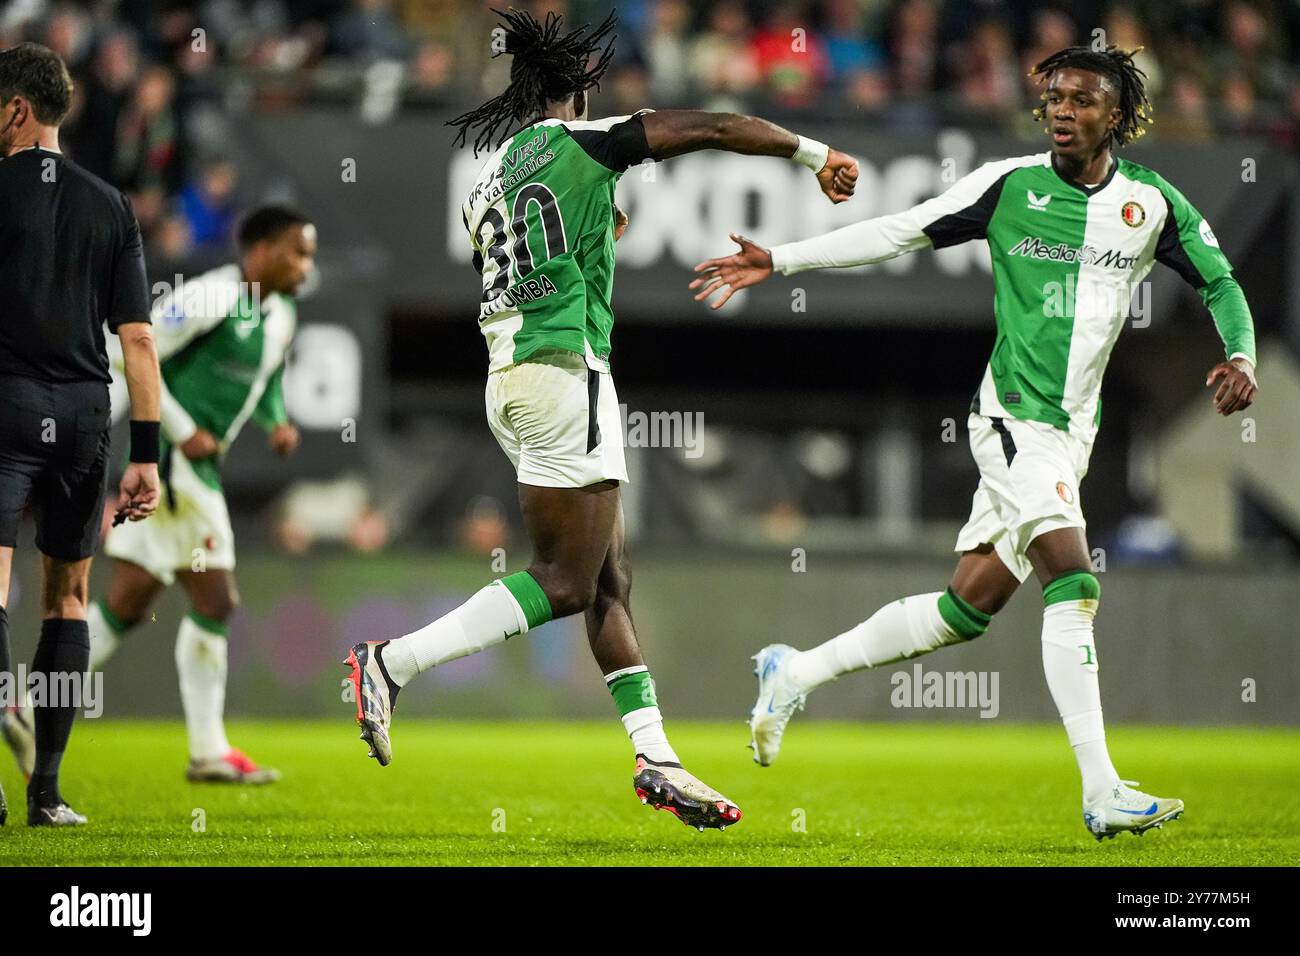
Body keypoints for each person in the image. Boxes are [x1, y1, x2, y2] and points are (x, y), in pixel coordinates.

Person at [691, 45, 1258, 841]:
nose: (1062, 110)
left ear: (1119, 117)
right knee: (1075, 581)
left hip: (1072, 433)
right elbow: (900, 231)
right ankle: (1102, 791)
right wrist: (781, 260)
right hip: (1012, 418)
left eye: (1082, 99)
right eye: (1054, 97)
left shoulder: (1150, 206)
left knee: (968, 607)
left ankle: (796, 671)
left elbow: (1221, 281)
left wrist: (1240, 354)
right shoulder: (1008, 186)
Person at [343, 9, 858, 830]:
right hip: (562, 374)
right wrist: (813, 153)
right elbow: (718, 124)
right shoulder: (588, 142)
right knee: (568, 581)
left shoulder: (492, 173)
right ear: (580, 89)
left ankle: (657, 758)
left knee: (608, 581)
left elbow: (537, 250)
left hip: (510, 375)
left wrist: (599, 230)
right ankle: (393, 661)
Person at [82, 205, 316, 784]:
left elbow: (263, 382)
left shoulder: (280, 313)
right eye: (296, 251)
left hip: (190, 470)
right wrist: (184, 432)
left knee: (130, 601)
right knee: (217, 601)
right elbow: (130, 352)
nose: (305, 267)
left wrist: (276, 420)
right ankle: (209, 750)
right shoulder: (213, 296)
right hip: (169, 466)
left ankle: (27, 706)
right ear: (258, 250)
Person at [0, 42, 162, 827]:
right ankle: (48, 793)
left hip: (5, 407)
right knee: (68, 603)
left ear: (15, 110)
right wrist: (148, 457)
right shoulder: (111, 205)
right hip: (86, 420)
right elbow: (137, 341)